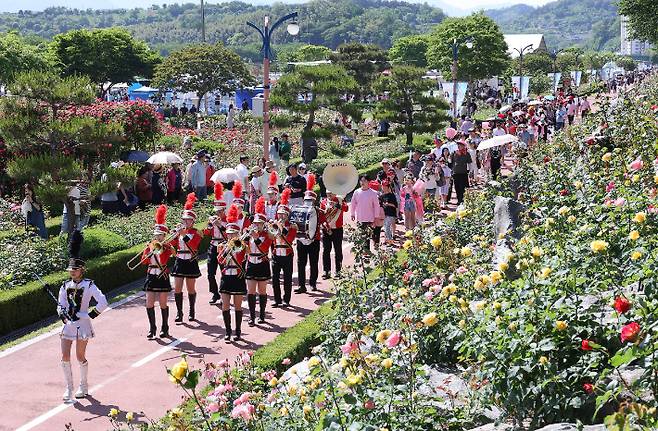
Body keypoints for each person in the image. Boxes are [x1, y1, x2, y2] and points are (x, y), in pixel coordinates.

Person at [57, 230, 108, 401]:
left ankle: (83, 385)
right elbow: (61, 304)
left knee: (79, 356)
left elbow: (103, 302)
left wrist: (88, 315)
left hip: (82, 325)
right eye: (71, 269)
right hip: (68, 325)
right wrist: (62, 313)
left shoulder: (89, 285)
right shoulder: (64, 285)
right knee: (64, 356)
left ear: (82, 270)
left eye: (75, 269)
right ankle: (69, 387)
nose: (72, 272)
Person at [140, 205, 174, 339]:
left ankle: (164, 327)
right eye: (156, 235)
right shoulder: (149, 246)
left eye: (160, 235)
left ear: (164, 235)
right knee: (149, 302)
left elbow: (170, 256)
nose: (157, 237)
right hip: (151, 275)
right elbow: (143, 262)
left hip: (162, 275)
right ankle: (152, 328)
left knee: (163, 303)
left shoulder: (167, 247)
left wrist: (164, 247)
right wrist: (148, 255)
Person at [170, 194, 203, 323]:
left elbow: (193, 245)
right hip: (179, 260)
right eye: (184, 219)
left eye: (188, 220)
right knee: (177, 288)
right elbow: (171, 245)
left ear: (193, 221)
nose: (185, 222)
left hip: (190, 261)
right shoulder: (179, 231)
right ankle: (179, 313)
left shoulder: (196, 232)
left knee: (190, 288)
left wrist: (183, 235)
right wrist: (173, 236)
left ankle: (192, 310)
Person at [218, 204, 247, 342]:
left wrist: (235, 245)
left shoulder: (241, 246)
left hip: (237, 276)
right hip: (226, 277)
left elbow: (242, 257)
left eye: (233, 234)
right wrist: (225, 249)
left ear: (237, 234)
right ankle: (228, 331)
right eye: (229, 233)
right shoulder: (222, 246)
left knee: (237, 305)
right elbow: (220, 260)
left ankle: (238, 331)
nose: (230, 236)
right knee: (225, 305)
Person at [294, 175, 327, 294]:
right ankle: (302, 285)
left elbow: (324, 222)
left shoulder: (318, 211)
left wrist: (326, 227)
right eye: (306, 200)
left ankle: (313, 283)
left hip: (314, 239)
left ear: (314, 201)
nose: (308, 202)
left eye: (310, 200)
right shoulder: (299, 210)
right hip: (301, 239)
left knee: (313, 262)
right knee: (301, 263)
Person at [245, 197, 274, 325]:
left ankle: (262, 315)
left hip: (262, 263)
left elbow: (264, 248)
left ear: (263, 225)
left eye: (259, 224)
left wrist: (256, 238)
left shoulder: (267, 236)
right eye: (255, 223)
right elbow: (243, 249)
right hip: (251, 263)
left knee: (262, 291)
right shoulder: (250, 235)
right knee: (251, 291)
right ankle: (252, 316)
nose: (256, 226)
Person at [271, 189, 297, 307]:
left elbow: (290, 239)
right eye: (279, 214)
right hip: (276, 254)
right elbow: (270, 237)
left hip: (287, 254)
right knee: (275, 279)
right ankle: (277, 300)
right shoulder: (274, 224)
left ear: (287, 215)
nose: (281, 216)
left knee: (287, 279)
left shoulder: (292, 227)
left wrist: (282, 228)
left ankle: (286, 299)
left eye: (283, 214)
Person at [204, 183, 227, 305]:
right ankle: (214, 293)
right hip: (213, 246)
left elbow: (228, 235)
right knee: (210, 273)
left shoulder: (228, 220)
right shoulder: (212, 220)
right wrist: (210, 225)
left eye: (219, 211)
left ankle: (223, 292)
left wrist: (220, 225)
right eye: (216, 211)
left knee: (224, 271)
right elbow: (206, 232)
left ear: (224, 210)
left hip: (223, 246)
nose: (217, 214)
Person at [320, 189, 348, 279]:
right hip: (326, 229)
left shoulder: (340, 200)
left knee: (338, 251)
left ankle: (338, 271)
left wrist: (336, 205)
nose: (329, 195)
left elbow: (346, 208)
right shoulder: (323, 202)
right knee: (326, 251)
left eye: (331, 193)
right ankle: (326, 271)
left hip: (338, 229)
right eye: (328, 194)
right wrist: (324, 225)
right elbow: (321, 215)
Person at [350, 175, 380, 252]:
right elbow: (353, 203)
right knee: (362, 235)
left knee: (370, 235)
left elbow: (377, 206)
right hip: (360, 218)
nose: (362, 182)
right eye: (361, 181)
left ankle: (374, 247)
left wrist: (376, 217)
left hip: (370, 218)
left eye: (364, 181)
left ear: (368, 182)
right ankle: (365, 251)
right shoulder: (357, 192)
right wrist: (352, 213)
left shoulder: (373, 193)